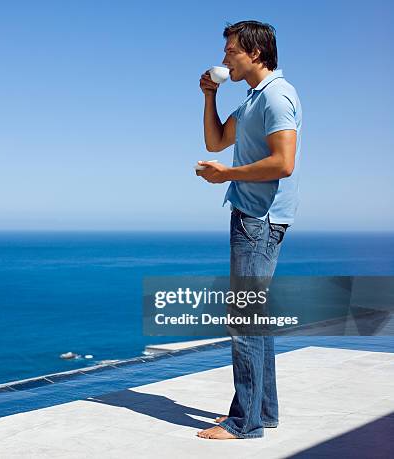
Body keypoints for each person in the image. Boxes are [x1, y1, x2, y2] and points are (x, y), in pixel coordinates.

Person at [195, 20, 302, 439]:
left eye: (230, 51)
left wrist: (228, 177)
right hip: (251, 215)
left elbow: (284, 162)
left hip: (259, 220)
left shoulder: (277, 96)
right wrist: (209, 95)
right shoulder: (255, 98)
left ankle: (245, 422)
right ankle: (265, 411)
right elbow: (216, 140)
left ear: (254, 53)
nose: (224, 58)